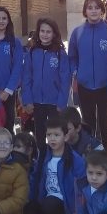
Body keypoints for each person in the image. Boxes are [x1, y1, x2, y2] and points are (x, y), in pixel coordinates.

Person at [69, 0, 107, 150]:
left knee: (106, 124)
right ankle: (90, 154)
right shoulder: (78, 33)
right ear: (85, 11)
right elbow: (72, 57)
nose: (93, 11)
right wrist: (76, 71)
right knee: (88, 124)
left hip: (105, 86)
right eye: (90, 8)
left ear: (102, 10)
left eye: (97, 7)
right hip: (84, 86)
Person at [23, 116, 85, 214]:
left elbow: (81, 185)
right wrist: (30, 198)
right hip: (45, 198)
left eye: (56, 135)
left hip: (63, 202)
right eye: (49, 135)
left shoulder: (74, 159)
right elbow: (35, 178)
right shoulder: (43, 155)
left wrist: (76, 211)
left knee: (49, 206)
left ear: (65, 137)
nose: (52, 139)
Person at [21, 17, 71, 151]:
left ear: (54, 34)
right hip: (37, 102)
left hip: (54, 102)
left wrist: (62, 102)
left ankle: (57, 157)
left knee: (55, 134)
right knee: (40, 135)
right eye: (42, 31)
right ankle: (41, 158)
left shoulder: (60, 53)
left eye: (48, 32)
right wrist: (27, 100)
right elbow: (26, 77)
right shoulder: (32, 52)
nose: (45, 34)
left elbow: (65, 80)